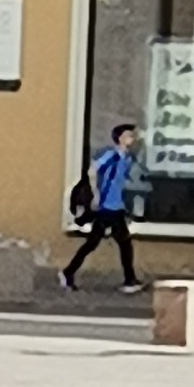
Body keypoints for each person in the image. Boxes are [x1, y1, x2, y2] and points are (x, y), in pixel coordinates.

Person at [63, 121, 141, 289]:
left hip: (116, 206)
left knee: (98, 243)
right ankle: (129, 280)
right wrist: (96, 194)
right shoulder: (111, 155)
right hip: (106, 206)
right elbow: (92, 170)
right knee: (119, 243)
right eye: (128, 135)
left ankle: (69, 272)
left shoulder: (127, 158)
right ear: (120, 138)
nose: (132, 139)